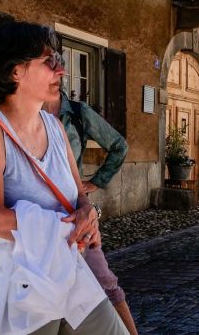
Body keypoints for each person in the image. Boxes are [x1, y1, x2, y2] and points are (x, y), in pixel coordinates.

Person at [0, 21, 128, 334]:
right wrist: (64, 225)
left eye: (60, 62)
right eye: (49, 62)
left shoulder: (53, 127)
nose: (61, 71)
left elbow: (77, 193)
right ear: (15, 71)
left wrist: (87, 211)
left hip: (65, 263)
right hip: (14, 269)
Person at [44, 90, 137, 335]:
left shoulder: (76, 112)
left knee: (104, 281)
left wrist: (95, 182)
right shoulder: (24, 111)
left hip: (76, 215)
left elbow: (119, 146)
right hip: (42, 220)